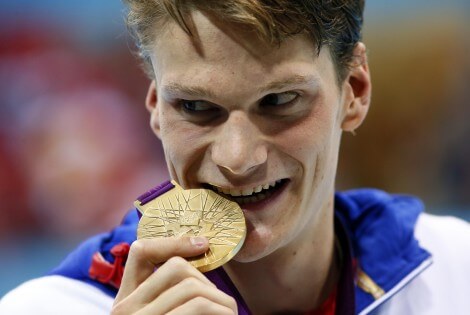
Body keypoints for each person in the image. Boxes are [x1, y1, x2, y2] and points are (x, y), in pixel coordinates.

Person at [1, 1, 470, 314]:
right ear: (156, 110)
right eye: (197, 108)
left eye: (280, 101)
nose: (238, 159)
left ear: (355, 91)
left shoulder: (458, 273)